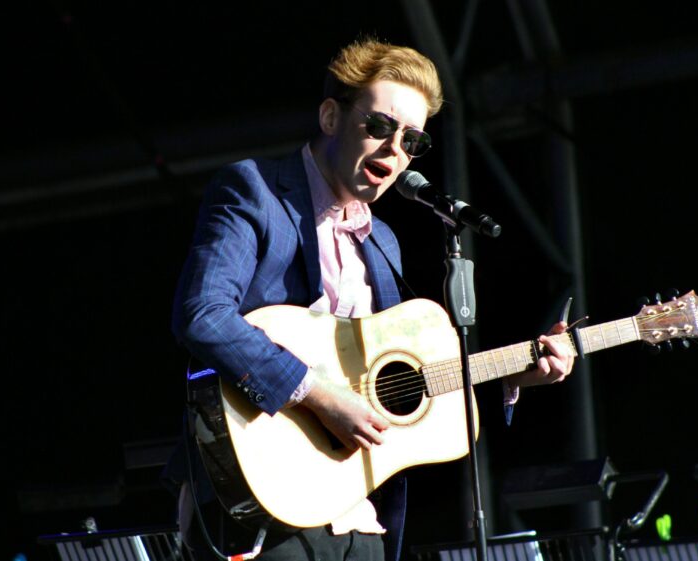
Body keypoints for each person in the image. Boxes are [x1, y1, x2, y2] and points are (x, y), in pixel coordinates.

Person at [169, 37, 574, 561]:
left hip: (356, 511)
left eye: (414, 141)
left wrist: (516, 374)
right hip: (258, 501)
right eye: (381, 126)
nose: (396, 149)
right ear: (331, 117)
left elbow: (396, 383)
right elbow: (201, 316)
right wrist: (317, 396)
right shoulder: (255, 191)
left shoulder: (382, 241)